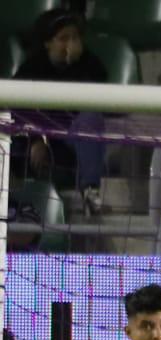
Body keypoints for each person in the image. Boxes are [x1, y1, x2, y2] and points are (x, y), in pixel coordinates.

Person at [13, 10, 109, 215]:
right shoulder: (31, 67)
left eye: (75, 38)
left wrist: (75, 64)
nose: (70, 43)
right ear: (48, 43)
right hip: (40, 140)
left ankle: (90, 192)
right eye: (63, 38)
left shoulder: (90, 64)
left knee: (91, 117)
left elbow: (97, 96)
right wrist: (36, 139)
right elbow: (20, 110)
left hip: (73, 138)